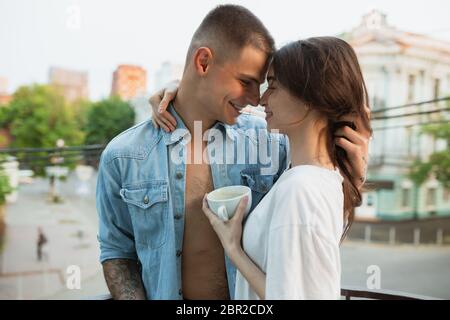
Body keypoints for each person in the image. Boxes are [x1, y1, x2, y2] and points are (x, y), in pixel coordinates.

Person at [97, 4, 369, 300]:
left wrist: (354, 173)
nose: (255, 98)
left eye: (264, 85)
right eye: (245, 82)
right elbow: (117, 252)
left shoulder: (273, 142)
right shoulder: (123, 156)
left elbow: (307, 247)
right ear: (203, 63)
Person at [200, 37, 372, 299]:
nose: (262, 100)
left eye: (274, 86)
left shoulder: (300, 187)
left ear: (311, 98)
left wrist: (233, 247)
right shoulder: (322, 178)